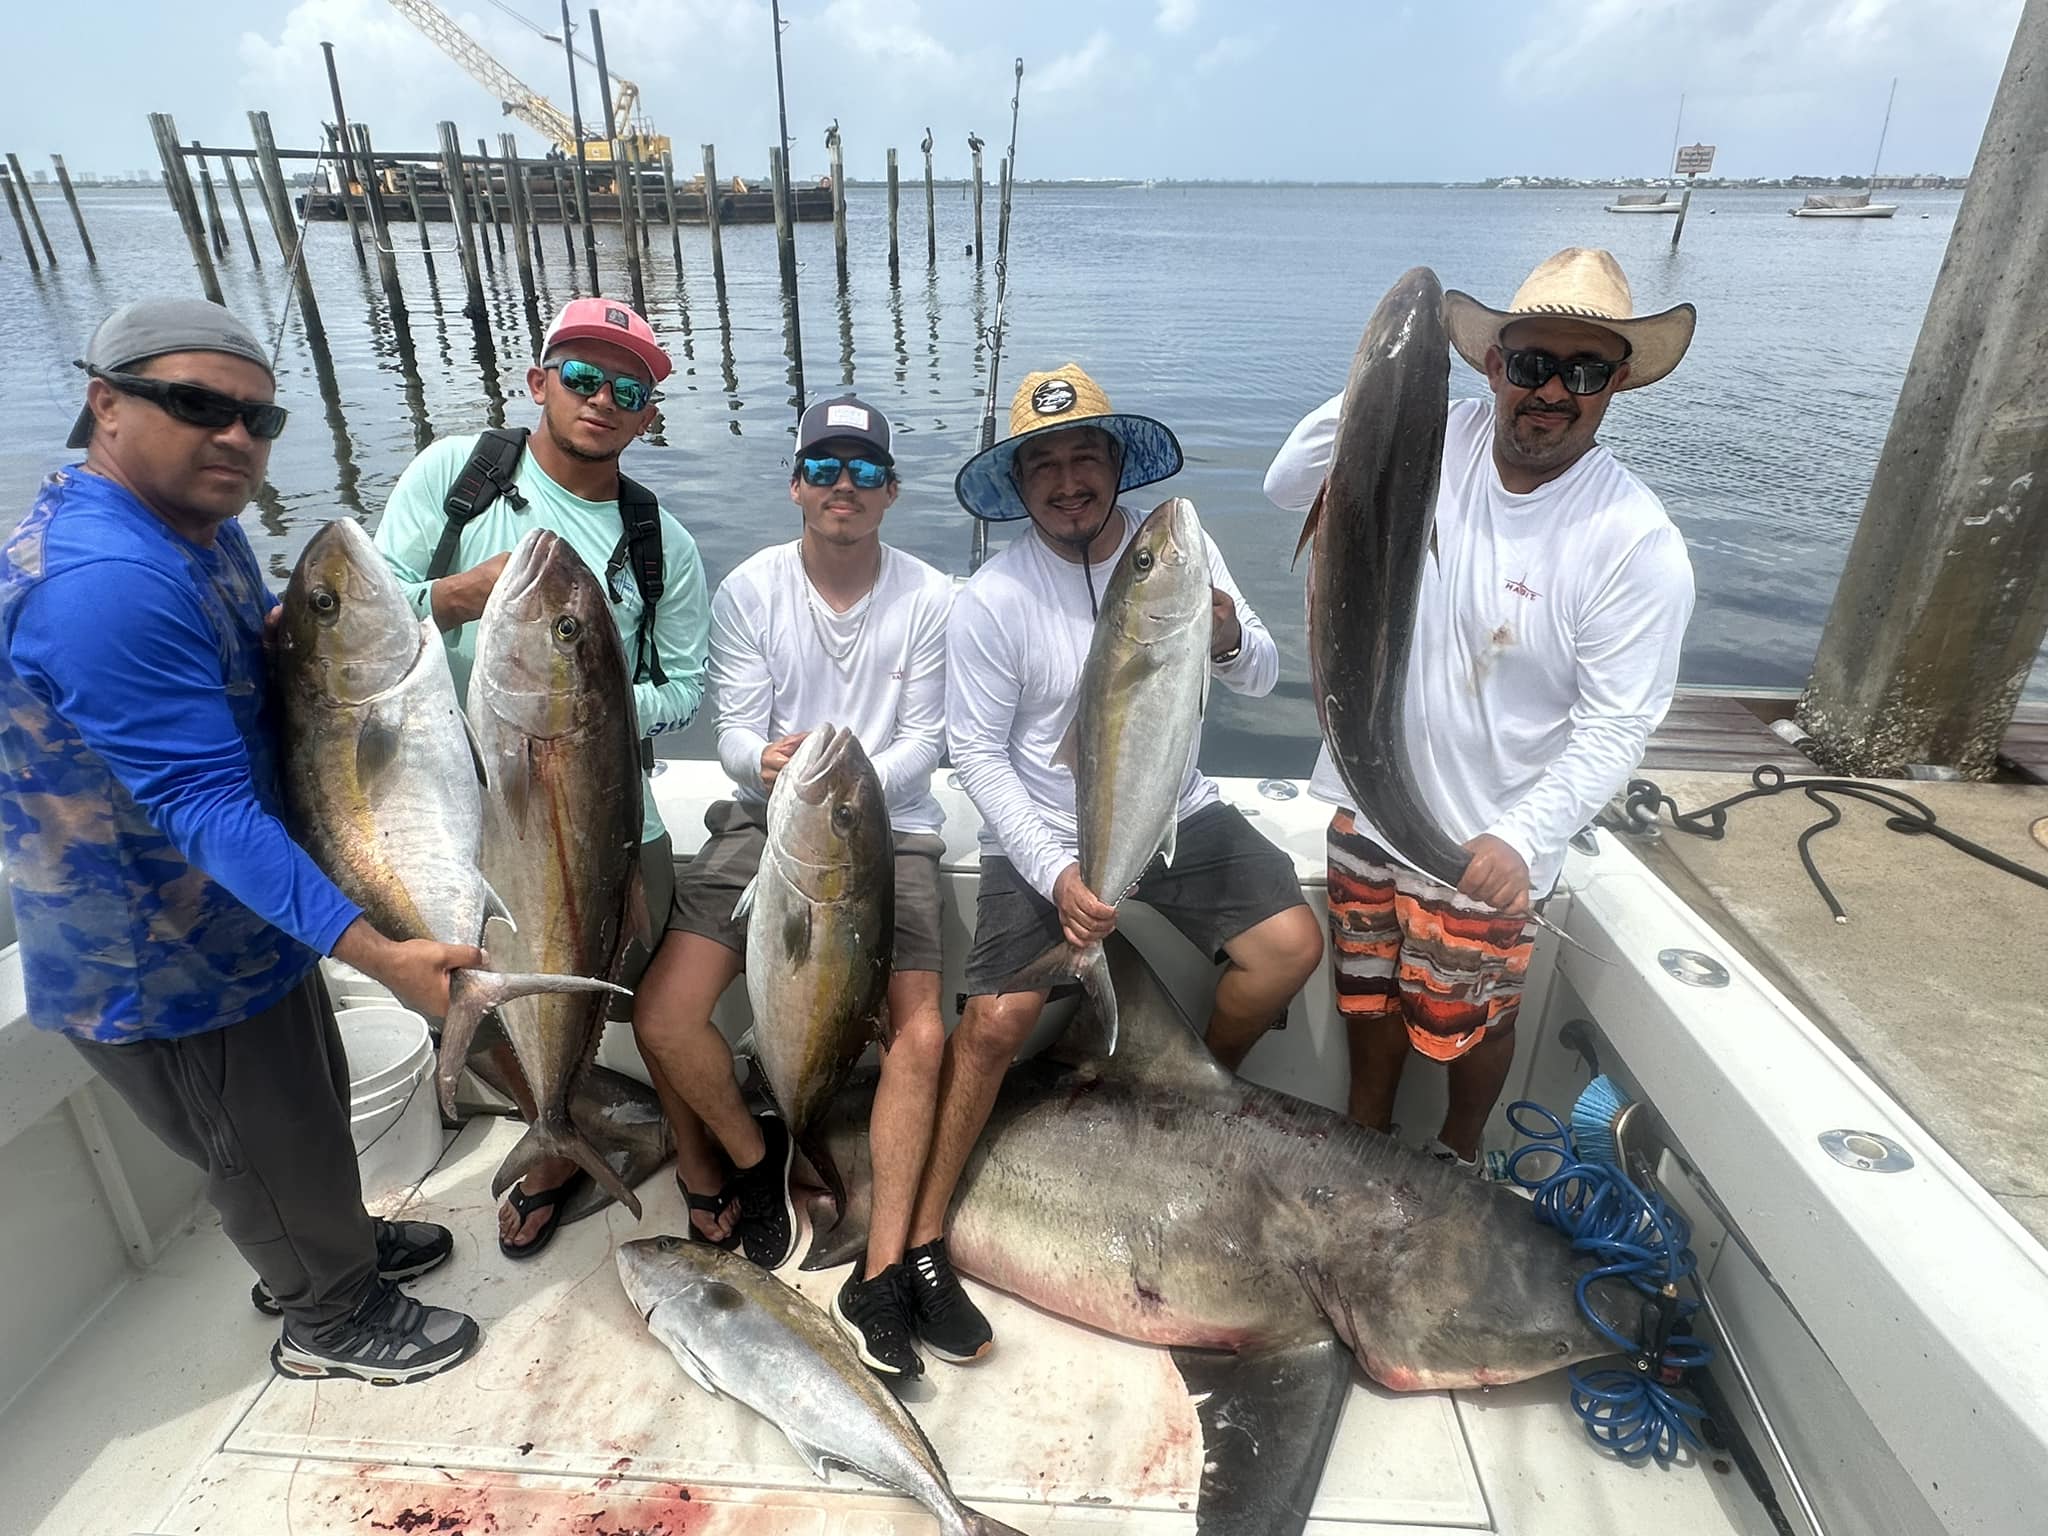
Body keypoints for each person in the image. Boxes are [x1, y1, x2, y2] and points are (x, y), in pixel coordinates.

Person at [0, 299, 485, 1385]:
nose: (236, 438)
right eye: (197, 405)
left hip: (247, 911)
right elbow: (201, 805)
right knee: (262, 1145)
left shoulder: (187, 536)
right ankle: (328, 1317)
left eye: (260, 419)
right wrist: (382, 953)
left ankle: (334, 1248)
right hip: (162, 953)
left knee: (302, 1120)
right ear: (105, 404)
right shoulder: (105, 581)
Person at [911, 365, 1326, 1362]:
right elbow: (975, 754)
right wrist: (1058, 871)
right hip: (1049, 834)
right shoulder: (994, 597)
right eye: (1042, 465)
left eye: (1082, 457)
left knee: (1288, 948)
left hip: (1173, 813)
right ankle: (923, 1240)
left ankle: (1180, 1100)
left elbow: (1264, 671)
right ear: (1019, 486)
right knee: (993, 1023)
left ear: (1113, 464)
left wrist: (1224, 631)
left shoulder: (1173, 547)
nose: (1065, 481)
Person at [1263, 247, 1697, 1168]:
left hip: (1485, 839)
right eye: (1532, 363)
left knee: (1468, 1024)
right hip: (1370, 805)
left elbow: (1619, 723)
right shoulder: (1437, 434)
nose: (1551, 391)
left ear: (1616, 384)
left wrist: (1522, 836)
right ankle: (1363, 1142)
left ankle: (1460, 1156)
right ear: (1494, 364)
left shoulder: (1633, 543)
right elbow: (1287, 484)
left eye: (1581, 371)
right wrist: (1385, 382)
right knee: (1367, 999)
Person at [374, 297, 712, 1257]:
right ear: (536, 383)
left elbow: (684, 686)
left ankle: (627, 1136)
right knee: (452, 993)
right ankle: (562, 1130)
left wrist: (588, 708)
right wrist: (451, 598)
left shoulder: (662, 543)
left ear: (648, 416)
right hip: (449, 815)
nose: (602, 399)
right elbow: (355, 617)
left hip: (608, 815)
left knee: (633, 991)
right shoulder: (459, 478)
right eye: (582, 376)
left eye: (629, 388)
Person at [631, 394, 953, 1380]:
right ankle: (757, 1151)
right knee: (664, 1015)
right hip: (770, 822)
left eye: (862, 471)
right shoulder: (749, 590)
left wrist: (842, 773)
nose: (841, 487)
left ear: (890, 492)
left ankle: (890, 1262)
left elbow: (931, 739)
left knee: (921, 1032)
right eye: (824, 467)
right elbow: (729, 731)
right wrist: (764, 764)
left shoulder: (934, 596)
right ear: (795, 484)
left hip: (890, 829)